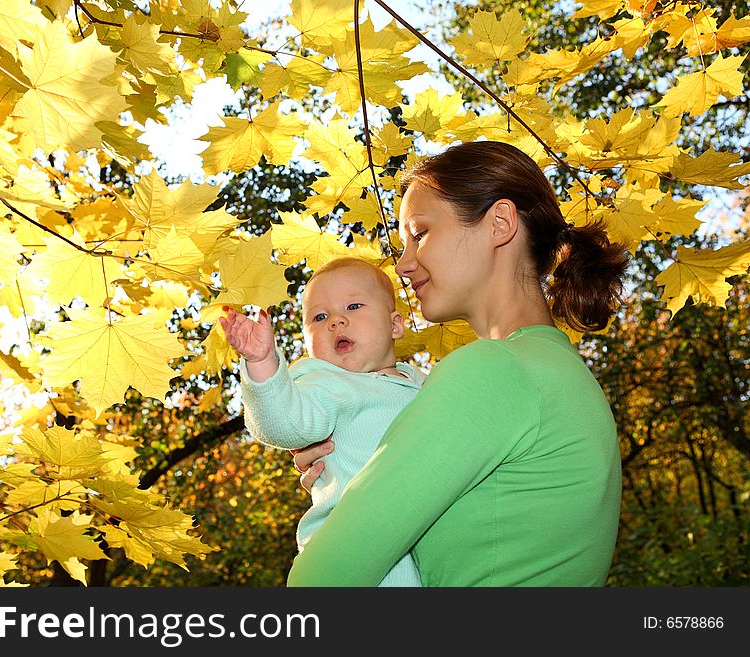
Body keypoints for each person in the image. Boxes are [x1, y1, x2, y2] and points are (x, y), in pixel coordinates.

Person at [287, 140, 629, 587]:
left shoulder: (493, 371)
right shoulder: (555, 372)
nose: (404, 265)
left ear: (500, 223)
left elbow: (320, 581)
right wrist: (351, 456)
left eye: (420, 233)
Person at [219, 256, 427, 587]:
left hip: (419, 545)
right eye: (319, 317)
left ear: (395, 325)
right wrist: (262, 363)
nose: (336, 321)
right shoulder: (323, 381)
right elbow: (285, 424)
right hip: (347, 548)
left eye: (354, 305)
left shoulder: (423, 384)